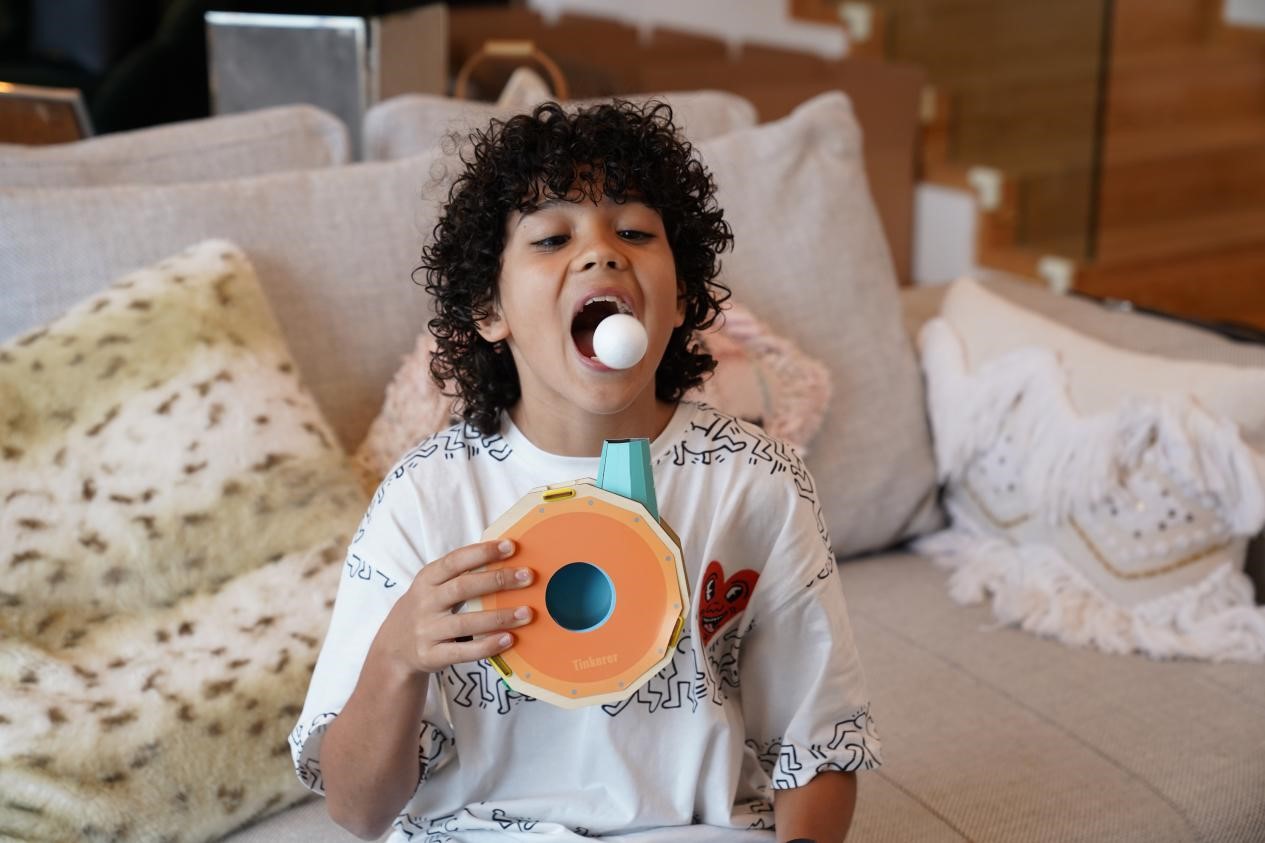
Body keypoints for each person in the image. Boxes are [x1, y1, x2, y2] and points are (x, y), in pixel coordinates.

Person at [290, 100, 881, 843]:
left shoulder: (753, 480)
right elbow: (356, 808)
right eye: (550, 236)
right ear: (488, 307)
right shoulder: (427, 494)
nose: (602, 252)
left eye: (634, 231)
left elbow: (818, 741)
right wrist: (397, 654)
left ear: (680, 301)